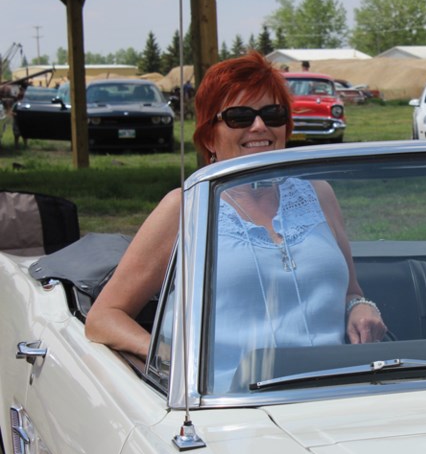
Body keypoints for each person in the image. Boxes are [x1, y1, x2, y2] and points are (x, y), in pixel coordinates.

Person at [86, 51, 386, 370]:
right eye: (240, 116)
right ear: (209, 136)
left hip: (333, 386)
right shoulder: (185, 208)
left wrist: (360, 307)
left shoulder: (318, 192)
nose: (258, 126)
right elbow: (105, 316)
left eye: (271, 114)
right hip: (227, 402)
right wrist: (170, 358)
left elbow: (352, 291)